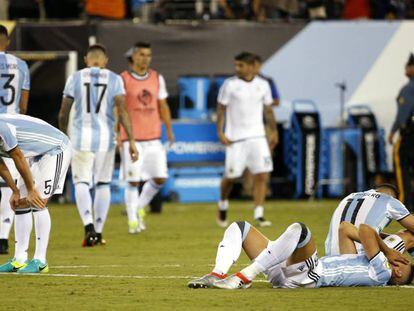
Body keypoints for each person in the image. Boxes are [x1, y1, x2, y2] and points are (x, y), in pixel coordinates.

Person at [58, 44, 138, 247]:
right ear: (105, 60)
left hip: (80, 138)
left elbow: (63, 112)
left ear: (86, 59)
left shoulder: (75, 78)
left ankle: (88, 227)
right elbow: (124, 111)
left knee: (82, 182)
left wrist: (62, 135)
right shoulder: (115, 79)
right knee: (103, 184)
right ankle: (99, 232)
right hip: (105, 139)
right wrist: (132, 141)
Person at [188, 220, 413, 289]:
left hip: (311, 275)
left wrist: (387, 249)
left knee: (300, 230)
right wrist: (385, 245)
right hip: (293, 272)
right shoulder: (364, 263)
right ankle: (217, 274)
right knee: (240, 228)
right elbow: (345, 227)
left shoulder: (382, 273)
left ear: (399, 280)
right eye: (403, 262)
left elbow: (364, 229)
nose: (399, 266)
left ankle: (242, 278)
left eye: (402, 272)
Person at [0, 114, 71, 273]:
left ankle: (40, 260)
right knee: (20, 204)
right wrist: (15, 191)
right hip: (35, 154)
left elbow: (17, 156)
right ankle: (19, 260)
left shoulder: (1, 128)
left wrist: (31, 190)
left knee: (37, 201)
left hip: (56, 148)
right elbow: (0, 164)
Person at [216, 52, 278, 228]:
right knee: (231, 177)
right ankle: (222, 204)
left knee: (262, 175)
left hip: (258, 137)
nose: (237, 68)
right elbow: (221, 109)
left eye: (240, 65)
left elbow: (268, 110)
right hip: (236, 139)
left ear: (251, 66)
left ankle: (259, 214)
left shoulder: (263, 85)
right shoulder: (230, 85)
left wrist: (274, 131)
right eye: (236, 65)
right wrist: (220, 132)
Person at [120, 42, 174, 234]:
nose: (145, 58)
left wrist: (169, 128)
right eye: (142, 54)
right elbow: (119, 108)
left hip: (153, 137)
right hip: (131, 139)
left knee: (160, 177)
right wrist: (119, 133)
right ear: (133, 56)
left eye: (148, 55)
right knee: (133, 180)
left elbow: (163, 105)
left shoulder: (157, 78)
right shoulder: (123, 79)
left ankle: (139, 207)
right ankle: (132, 221)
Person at [0, 24, 30, 254]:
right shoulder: (21, 65)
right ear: (7, 41)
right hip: (12, 126)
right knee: (7, 184)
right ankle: (3, 236)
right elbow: (23, 103)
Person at [325, 184, 414, 256]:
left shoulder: (349, 197)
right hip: (357, 259)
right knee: (410, 236)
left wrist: (388, 236)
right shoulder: (390, 200)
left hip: (331, 257)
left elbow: (358, 228)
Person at [388, 53, 414, 213]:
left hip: (409, 134)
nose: (406, 68)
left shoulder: (408, 88)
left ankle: (404, 204)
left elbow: (403, 114)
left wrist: (393, 131)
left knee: (402, 168)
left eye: (409, 65)